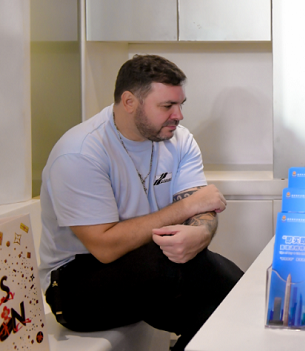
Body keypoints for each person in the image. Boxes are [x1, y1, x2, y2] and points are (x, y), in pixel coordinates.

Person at [39, 55, 243, 351]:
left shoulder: (180, 141)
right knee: (166, 265)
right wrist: (186, 208)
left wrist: (202, 232)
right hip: (73, 285)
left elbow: (202, 207)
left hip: (149, 268)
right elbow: (105, 248)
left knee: (220, 307)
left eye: (181, 104)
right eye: (167, 106)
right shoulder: (80, 153)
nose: (179, 115)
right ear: (129, 102)